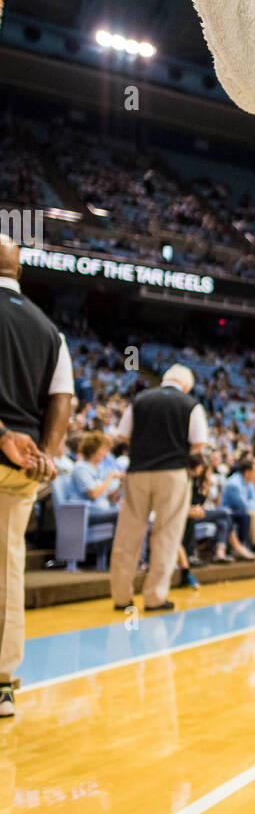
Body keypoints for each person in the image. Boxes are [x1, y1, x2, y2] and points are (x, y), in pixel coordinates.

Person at [0, 236, 74, 717]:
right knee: (7, 568)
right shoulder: (49, 329)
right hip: (21, 465)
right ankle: (2, 682)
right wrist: (47, 452)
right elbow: (62, 396)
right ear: (19, 272)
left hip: (8, 442)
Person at [109, 363, 208, 612]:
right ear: (186, 385)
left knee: (128, 533)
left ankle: (121, 597)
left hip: (138, 470)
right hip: (173, 472)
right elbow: (199, 443)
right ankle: (154, 597)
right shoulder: (190, 405)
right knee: (166, 535)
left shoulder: (140, 400)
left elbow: (122, 436)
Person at [68, 431, 123, 516]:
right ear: (92, 449)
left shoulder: (99, 467)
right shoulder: (81, 468)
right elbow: (93, 494)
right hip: (85, 514)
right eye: (103, 449)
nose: (106, 453)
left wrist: (121, 485)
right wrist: (110, 478)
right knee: (123, 516)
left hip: (103, 509)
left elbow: (110, 498)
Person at [221, 455, 255, 553]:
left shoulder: (249, 483)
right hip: (228, 512)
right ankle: (245, 546)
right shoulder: (234, 483)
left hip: (240, 511)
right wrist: (253, 505)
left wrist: (253, 506)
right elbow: (243, 506)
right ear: (247, 472)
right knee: (247, 516)